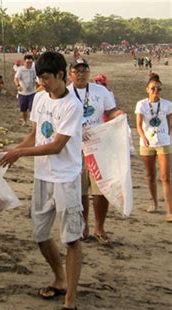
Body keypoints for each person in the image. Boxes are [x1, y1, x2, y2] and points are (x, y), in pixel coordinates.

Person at [0, 51, 84, 310]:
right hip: (42, 176)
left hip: (66, 178)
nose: (42, 83)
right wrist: (11, 152)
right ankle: (59, 278)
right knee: (40, 235)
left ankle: (70, 298)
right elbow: (35, 134)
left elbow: (57, 145)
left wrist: (19, 153)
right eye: (40, 78)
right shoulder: (38, 98)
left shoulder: (73, 105)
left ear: (61, 75)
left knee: (71, 239)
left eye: (46, 78)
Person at [67, 59, 123, 243]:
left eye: (84, 70)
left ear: (89, 73)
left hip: (99, 146)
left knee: (100, 189)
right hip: (75, 147)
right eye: (77, 70)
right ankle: (84, 226)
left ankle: (100, 227)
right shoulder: (66, 93)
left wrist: (118, 115)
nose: (81, 74)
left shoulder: (101, 91)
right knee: (81, 189)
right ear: (70, 74)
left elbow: (111, 110)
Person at [135, 73, 172, 222]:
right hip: (147, 143)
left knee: (165, 177)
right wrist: (143, 137)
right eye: (153, 88)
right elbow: (138, 125)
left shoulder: (167, 104)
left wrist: (168, 134)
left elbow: (169, 122)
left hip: (163, 142)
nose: (156, 91)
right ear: (147, 89)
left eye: (158, 89)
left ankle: (169, 210)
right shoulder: (141, 104)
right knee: (150, 176)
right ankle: (154, 203)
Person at [14, 54, 37, 126]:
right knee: (23, 109)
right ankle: (24, 121)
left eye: (30, 62)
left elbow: (37, 78)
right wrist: (18, 85)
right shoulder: (20, 69)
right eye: (27, 62)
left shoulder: (34, 69)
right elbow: (16, 79)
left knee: (32, 108)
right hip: (23, 93)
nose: (29, 64)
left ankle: (34, 123)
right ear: (24, 62)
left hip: (32, 92)